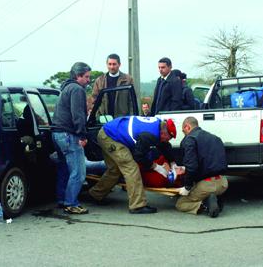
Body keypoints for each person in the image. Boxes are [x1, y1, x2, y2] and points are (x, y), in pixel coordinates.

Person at [88, 116, 177, 214]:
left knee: (115, 170)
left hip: (108, 132)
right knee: (131, 168)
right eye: (169, 138)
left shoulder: (158, 125)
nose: (169, 140)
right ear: (163, 133)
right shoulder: (148, 135)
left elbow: (164, 146)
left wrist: (173, 163)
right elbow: (139, 156)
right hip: (110, 137)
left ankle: (95, 194)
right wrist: (156, 167)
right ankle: (137, 205)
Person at [51, 62, 91, 214]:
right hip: (69, 135)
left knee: (64, 170)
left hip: (57, 134)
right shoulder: (77, 89)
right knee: (78, 172)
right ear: (78, 76)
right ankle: (71, 203)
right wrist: (82, 134)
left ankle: (62, 199)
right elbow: (78, 115)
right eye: (86, 77)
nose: (88, 80)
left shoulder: (66, 88)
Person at [176, 116, 228, 218]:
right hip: (223, 182)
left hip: (207, 185)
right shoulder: (215, 138)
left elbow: (192, 167)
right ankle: (216, 197)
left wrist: (187, 187)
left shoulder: (190, 139)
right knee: (206, 188)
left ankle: (205, 205)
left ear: (187, 127)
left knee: (180, 203)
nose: (184, 134)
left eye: (183, 131)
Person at [92, 53, 134, 118]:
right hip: (104, 119)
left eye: (114, 64)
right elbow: (94, 100)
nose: (112, 67)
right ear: (106, 64)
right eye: (110, 64)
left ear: (119, 64)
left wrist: (131, 118)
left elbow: (132, 101)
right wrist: (97, 115)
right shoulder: (99, 81)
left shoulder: (128, 80)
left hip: (122, 119)